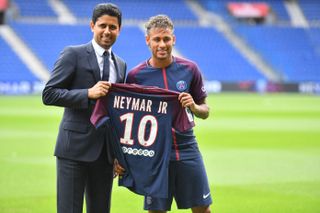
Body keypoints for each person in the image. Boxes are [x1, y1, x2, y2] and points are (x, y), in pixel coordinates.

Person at [118, 14, 212, 213]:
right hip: (155, 154)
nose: (162, 44)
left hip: (188, 148)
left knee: (202, 208)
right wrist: (122, 157)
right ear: (147, 41)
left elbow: (205, 110)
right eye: (157, 39)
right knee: (156, 211)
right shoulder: (135, 76)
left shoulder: (190, 69)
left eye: (166, 39)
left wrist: (194, 107)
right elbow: (127, 122)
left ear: (173, 39)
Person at [42, 3, 126, 213]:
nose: (107, 31)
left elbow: (117, 112)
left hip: (105, 155)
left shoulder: (121, 65)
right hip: (73, 151)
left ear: (119, 30)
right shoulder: (73, 54)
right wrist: (87, 93)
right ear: (92, 26)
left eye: (112, 27)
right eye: (102, 26)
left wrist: (118, 153)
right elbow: (49, 94)